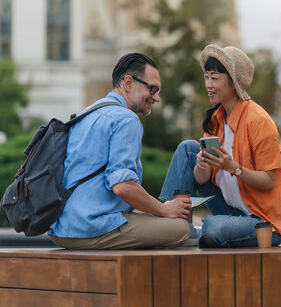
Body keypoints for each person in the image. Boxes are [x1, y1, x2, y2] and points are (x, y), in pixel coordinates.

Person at [48, 53, 192, 249]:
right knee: (180, 229)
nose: (156, 98)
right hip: (90, 228)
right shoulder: (126, 119)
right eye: (153, 89)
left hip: (61, 227)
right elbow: (122, 186)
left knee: (155, 216)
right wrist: (164, 210)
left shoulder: (86, 113)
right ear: (129, 83)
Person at [159, 44, 281, 247]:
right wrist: (201, 166)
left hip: (263, 223)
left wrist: (233, 168)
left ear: (233, 83)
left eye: (215, 78)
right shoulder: (216, 119)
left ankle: (194, 230)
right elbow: (202, 179)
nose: (208, 84)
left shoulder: (258, 120)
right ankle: (166, 219)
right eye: (207, 77)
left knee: (213, 229)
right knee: (188, 148)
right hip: (229, 210)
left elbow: (269, 181)